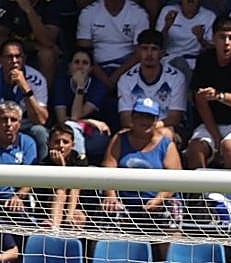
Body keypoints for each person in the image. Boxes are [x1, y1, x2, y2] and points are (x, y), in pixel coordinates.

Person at [186, 15, 231, 171]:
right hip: (211, 125)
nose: (226, 42)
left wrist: (219, 96)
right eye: (222, 37)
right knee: (195, 149)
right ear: (213, 38)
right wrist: (217, 139)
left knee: (229, 148)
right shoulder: (204, 60)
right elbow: (200, 101)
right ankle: (198, 187)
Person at [102, 96, 183, 231]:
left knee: (172, 211)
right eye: (140, 116)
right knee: (109, 208)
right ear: (132, 118)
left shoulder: (166, 144)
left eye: (149, 117)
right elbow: (107, 170)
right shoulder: (119, 139)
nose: (145, 121)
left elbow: (176, 180)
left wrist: (159, 199)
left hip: (158, 200)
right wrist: (111, 196)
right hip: (124, 201)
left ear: (156, 121)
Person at [0, 38, 49, 157]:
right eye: (9, 57)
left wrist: (26, 88)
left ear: (24, 58)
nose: (14, 61)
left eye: (18, 56)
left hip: (24, 126)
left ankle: (42, 165)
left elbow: (41, 120)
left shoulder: (37, 79)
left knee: (39, 131)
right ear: (0, 59)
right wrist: (1, 126)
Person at [117, 29, 189, 135]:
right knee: (120, 136)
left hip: (165, 127)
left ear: (162, 53)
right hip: (136, 128)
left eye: (154, 49)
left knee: (165, 133)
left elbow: (174, 118)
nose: (149, 54)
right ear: (137, 51)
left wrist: (149, 128)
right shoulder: (125, 79)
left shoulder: (176, 77)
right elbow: (125, 118)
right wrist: (142, 129)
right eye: (144, 48)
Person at [53, 47, 113, 160]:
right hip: (67, 129)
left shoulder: (98, 87)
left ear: (91, 68)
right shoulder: (61, 83)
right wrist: (89, 121)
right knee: (70, 129)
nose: (80, 66)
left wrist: (80, 87)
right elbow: (62, 119)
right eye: (76, 62)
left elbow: (76, 116)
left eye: (85, 63)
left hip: (92, 133)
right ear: (70, 66)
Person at [76, 0, 151, 88]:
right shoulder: (88, 13)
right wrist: (105, 80)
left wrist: (115, 78)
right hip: (97, 66)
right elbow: (84, 52)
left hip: (127, 65)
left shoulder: (139, 13)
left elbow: (140, 53)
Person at [0, 0, 61, 85]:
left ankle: (44, 92)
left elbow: (48, 41)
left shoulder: (50, 5)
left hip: (37, 49)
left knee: (47, 54)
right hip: (14, 46)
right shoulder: (10, 4)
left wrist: (29, 10)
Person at [41, 124, 89, 230]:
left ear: (73, 145)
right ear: (48, 143)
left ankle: (69, 220)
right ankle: (54, 229)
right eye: (57, 142)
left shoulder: (80, 159)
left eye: (65, 142)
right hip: (50, 207)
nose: (61, 145)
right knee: (60, 191)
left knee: (75, 187)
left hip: (75, 207)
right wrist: (61, 166)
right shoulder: (44, 163)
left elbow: (75, 185)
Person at [159, 0, 216, 70]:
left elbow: (213, 49)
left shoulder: (209, 16)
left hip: (195, 61)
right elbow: (157, 43)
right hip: (169, 59)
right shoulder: (168, 11)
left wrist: (201, 39)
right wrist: (166, 27)